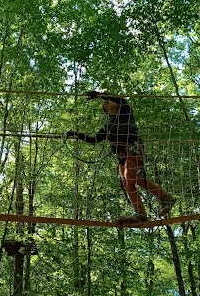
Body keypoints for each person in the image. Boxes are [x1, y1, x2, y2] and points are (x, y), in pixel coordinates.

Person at [66, 90, 176, 224]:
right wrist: (77, 134)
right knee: (127, 182)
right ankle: (141, 214)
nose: (105, 103)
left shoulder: (125, 112)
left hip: (132, 146)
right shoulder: (107, 124)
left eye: (108, 101)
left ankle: (165, 197)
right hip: (121, 155)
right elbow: (94, 139)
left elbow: (120, 99)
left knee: (130, 176)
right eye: (104, 103)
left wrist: (99, 95)